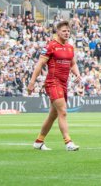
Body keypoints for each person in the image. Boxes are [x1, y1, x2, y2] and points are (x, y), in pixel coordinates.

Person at [27, 20, 81, 151]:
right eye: (64, 31)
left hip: (63, 84)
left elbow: (73, 63)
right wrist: (32, 82)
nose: (67, 33)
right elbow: (40, 64)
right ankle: (68, 142)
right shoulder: (51, 46)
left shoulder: (69, 47)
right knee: (63, 111)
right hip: (53, 82)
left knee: (53, 115)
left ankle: (39, 141)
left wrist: (78, 74)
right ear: (58, 32)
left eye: (68, 31)